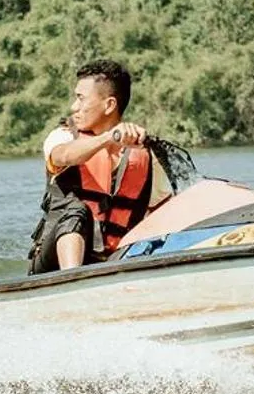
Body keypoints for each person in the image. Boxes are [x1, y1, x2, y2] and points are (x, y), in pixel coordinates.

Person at [27, 59, 172, 274]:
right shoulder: (62, 136)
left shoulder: (146, 156)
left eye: (81, 98)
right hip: (51, 265)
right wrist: (108, 139)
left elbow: (163, 213)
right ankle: (72, 281)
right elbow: (64, 156)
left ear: (109, 105)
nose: (74, 107)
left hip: (113, 262)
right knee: (77, 210)